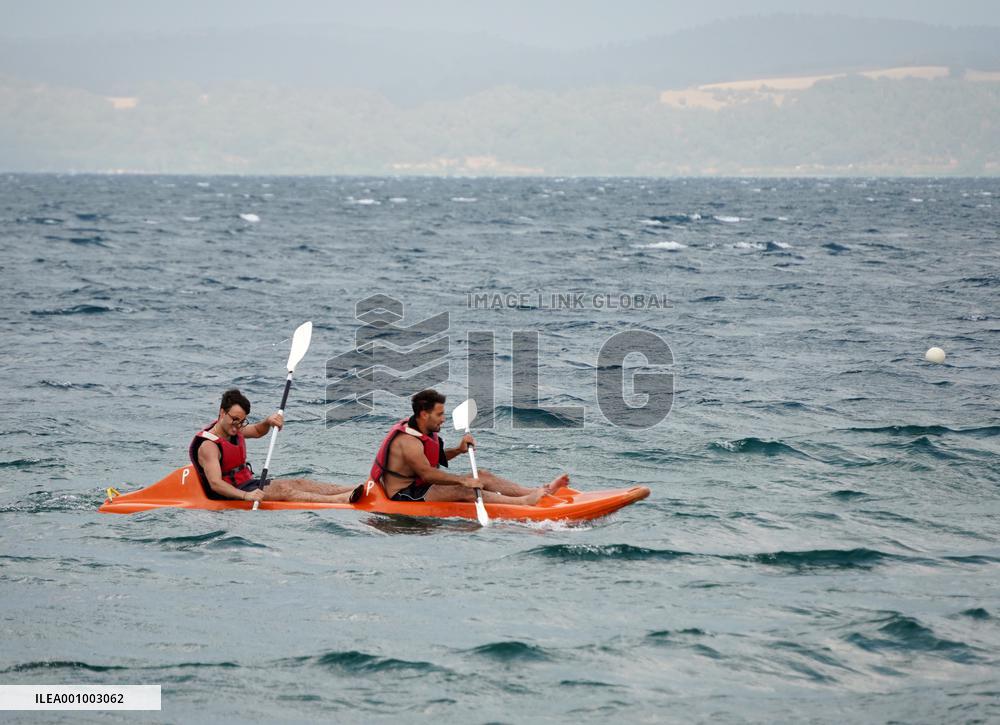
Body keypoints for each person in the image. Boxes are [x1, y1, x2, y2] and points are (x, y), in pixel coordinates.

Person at [370, 389, 570, 504]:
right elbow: (427, 474)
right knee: (464, 490)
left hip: (421, 485)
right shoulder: (407, 442)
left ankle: (536, 491)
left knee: (482, 475)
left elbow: (433, 459)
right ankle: (524, 502)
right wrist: (463, 481)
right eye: (439, 414)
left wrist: (458, 450)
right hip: (406, 494)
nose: (444, 418)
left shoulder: (424, 430)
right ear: (424, 414)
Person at [190, 388, 356, 504]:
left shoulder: (233, 428)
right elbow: (216, 484)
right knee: (284, 490)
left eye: (241, 421)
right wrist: (246, 496)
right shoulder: (208, 446)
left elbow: (257, 431)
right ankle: (340, 500)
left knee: (299, 483)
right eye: (234, 419)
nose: (237, 426)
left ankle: (351, 489)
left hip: (246, 484)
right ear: (222, 412)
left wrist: (268, 421)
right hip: (231, 493)